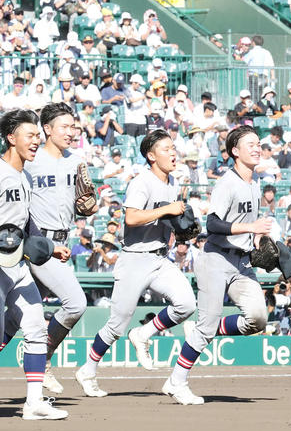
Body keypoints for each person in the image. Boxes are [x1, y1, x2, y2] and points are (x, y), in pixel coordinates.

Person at [75, 129, 198, 395]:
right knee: (117, 324)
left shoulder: (173, 183)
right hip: (134, 259)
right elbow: (130, 218)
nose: (173, 153)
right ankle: (88, 370)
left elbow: (166, 218)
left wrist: (179, 229)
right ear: (151, 156)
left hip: (159, 258)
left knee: (187, 304)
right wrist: (167, 210)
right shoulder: (142, 181)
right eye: (166, 149)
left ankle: (143, 334)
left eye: (173, 147)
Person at [0, 109, 68, 421]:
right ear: (11, 138)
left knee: (36, 327)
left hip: (18, 265)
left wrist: (49, 247)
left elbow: (25, 223)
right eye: (31, 135)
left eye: (38, 135)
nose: (36, 141)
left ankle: (34, 402)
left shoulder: (25, 176)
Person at [165, 126, 272, 404]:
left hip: (241, 262)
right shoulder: (228, 182)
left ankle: (208, 327)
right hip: (215, 259)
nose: (257, 147)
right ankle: (177, 382)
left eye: (258, 143)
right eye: (251, 144)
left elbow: (249, 227)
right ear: (235, 151)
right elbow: (212, 224)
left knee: (258, 318)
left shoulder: (255, 181)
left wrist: (258, 238)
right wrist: (251, 227)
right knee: (206, 326)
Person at [23, 104, 87, 394]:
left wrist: (87, 204)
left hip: (63, 242)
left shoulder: (76, 161)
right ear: (47, 129)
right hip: (37, 243)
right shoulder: (30, 161)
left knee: (13, 320)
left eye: (73, 127)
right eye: (64, 126)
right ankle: (43, 359)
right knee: (76, 303)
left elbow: (83, 203)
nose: (70, 132)